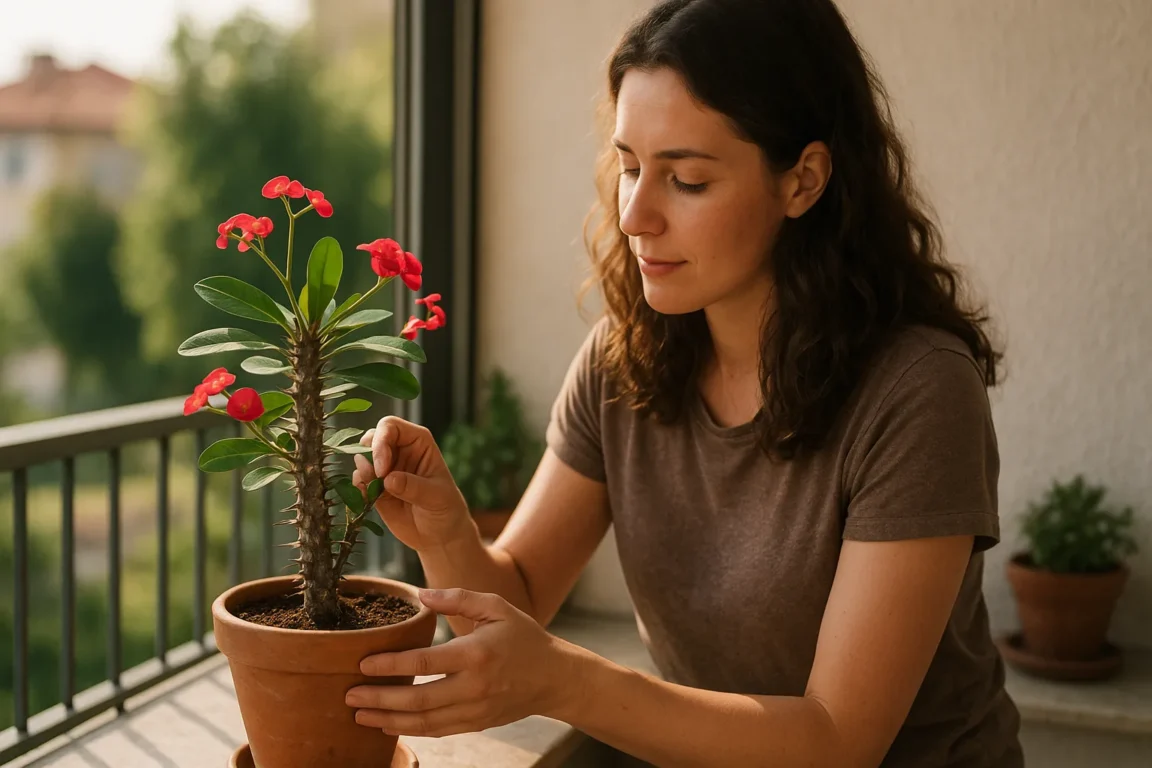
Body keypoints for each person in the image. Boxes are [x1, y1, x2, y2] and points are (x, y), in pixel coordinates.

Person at [345, 0, 1024, 765]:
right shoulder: (624, 360)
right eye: (630, 167)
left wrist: (568, 681)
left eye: (688, 180)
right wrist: (446, 533)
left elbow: (837, 741)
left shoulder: (918, 392)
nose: (635, 215)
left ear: (803, 181)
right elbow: (518, 600)